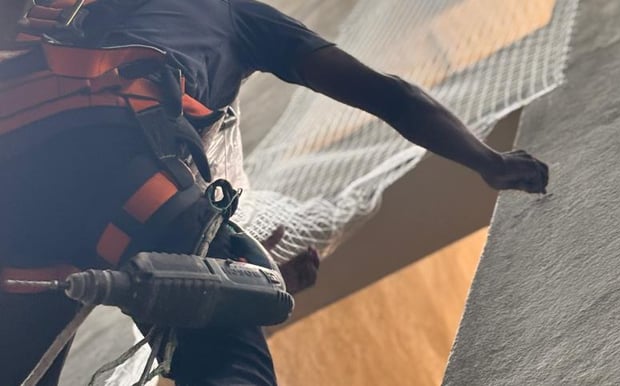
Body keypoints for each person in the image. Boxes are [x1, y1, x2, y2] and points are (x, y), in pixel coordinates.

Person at [0, 0, 549, 385]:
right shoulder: (231, 13)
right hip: (121, 162)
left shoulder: (61, 15)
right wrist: (489, 162)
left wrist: (241, 280)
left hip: (15, 192)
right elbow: (392, 97)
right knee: (230, 365)